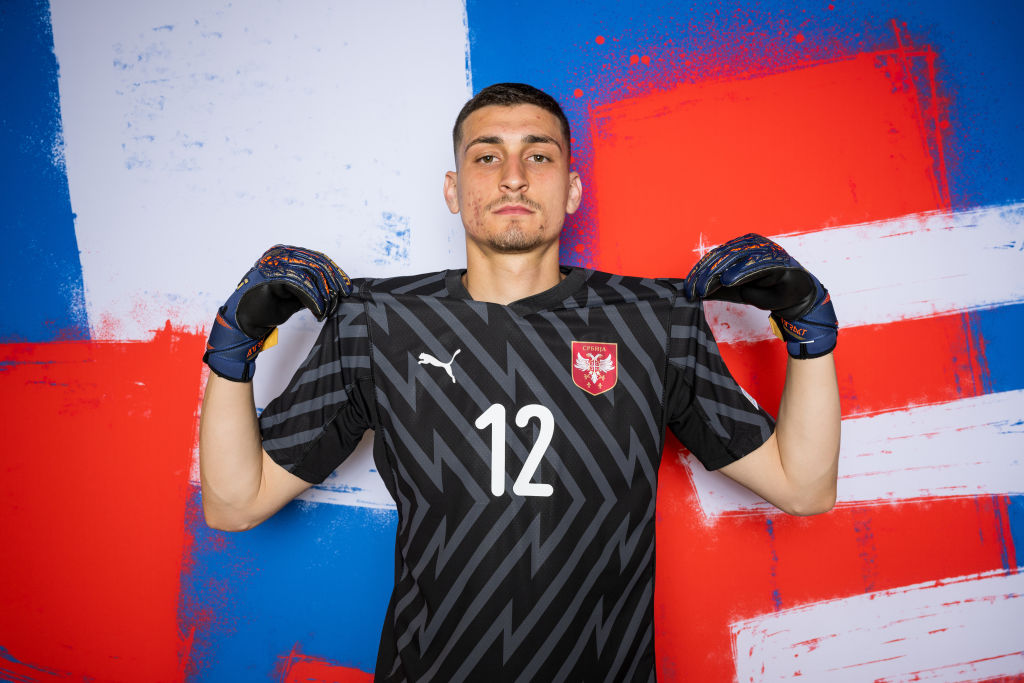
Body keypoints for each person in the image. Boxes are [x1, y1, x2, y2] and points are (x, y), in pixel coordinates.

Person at [199, 83, 841, 681]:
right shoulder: (377, 323)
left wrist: (808, 330)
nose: (513, 176)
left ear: (572, 189)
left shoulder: (655, 321)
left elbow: (802, 487)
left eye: (539, 155)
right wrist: (233, 348)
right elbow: (235, 502)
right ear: (452, 190)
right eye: (487, 157)